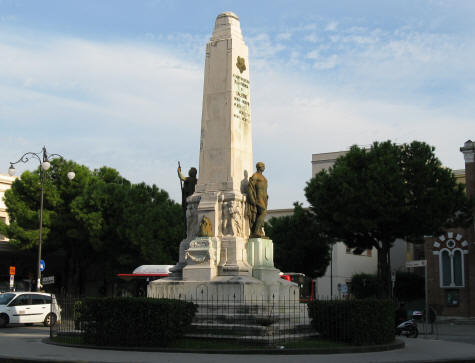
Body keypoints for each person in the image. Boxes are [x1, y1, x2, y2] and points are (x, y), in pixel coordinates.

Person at [247, 162, 268, 238]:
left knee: (260, 214)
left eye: (264, 166)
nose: (264, 167)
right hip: (258, 198)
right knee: (263, 212)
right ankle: (255, 231)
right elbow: (250, 186)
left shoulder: (263, 177)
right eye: (262, 166)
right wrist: (252, 198)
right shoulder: (255, 175)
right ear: (259, 167)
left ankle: (258, 231)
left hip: (264, 198)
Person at [177, 166, 198, 233]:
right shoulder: (197, 181)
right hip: (195, 202)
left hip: (188, 202)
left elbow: (182, 177)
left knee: (187, 220)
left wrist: (179, 171)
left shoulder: (188, 179)